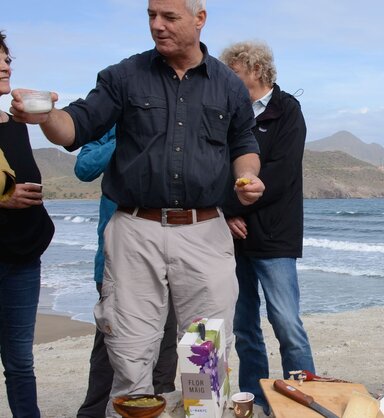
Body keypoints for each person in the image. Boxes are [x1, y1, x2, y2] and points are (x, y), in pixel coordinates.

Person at [9, 0, 264, 408]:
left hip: (205, 232)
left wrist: (248, 176)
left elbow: (244, 144)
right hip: (135, 231)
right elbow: (75, 126)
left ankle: (202, 414)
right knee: (130, 348)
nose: (157, 26)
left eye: (169, 17)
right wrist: (46, 116)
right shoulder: (123, 75)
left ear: (200, 19)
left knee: (205, 352)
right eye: (151, 16)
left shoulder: (228, 85)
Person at [218, 41, 313, 413]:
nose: (228, 80)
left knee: (287, 324)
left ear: (256, 70)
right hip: (233, 236)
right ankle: (257, 401)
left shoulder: (288, 110)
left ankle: (303, 401)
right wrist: (227, 212)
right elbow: (217, 168)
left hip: (275, 236)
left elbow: (282, 174)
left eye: (234, 73)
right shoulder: (227, 114)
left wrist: (240, 201)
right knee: (245, 327)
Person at [74, 127, 179, 417]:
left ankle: (156, 409)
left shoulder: (174, 121)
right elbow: (83, 167)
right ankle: (93, 413)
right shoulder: (109, 124)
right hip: (115, 258)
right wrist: (129, 134)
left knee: (165, 346)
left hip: (167, 255)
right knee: (110, 349)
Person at [0, 30, 55, 417]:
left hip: (22, 259)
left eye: (7, 58)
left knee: (20, 360)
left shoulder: (13, 122)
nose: (7, 65)